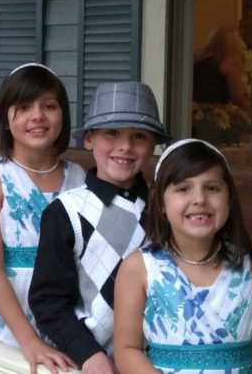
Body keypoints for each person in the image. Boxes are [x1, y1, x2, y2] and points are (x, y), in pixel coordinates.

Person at [30, 82, 170, 374]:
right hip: (89, 363)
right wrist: (88, 354)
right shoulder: (65, 212)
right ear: (90, 139)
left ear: (153, 144)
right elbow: (48, 302)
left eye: (139, 136)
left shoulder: (165, 209)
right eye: (112, 133)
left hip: (156, 364)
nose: (125, 146)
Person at [113, 139, 252, 374]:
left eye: (212, 188)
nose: (199, 199)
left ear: (229, 198)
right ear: (161, 202)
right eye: (183, 189)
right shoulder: (139, 268)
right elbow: (127, 350)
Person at [0, 62, 86, 374]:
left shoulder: (79, 179)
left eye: (49, 106)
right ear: (6, 118)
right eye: (23, 107)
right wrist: (29, 340)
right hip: (12, 330)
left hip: (67, 324)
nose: (37, 116)